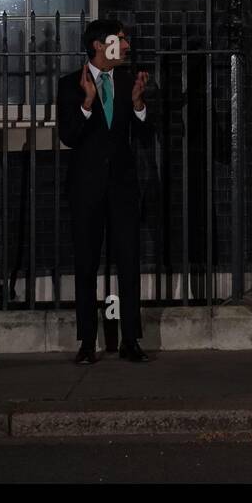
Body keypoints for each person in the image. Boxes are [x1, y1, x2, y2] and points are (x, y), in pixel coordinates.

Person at [56, 18, 153, 364]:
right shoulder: (71, 85)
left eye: (126, 40)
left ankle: (130, 340)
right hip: (86, 188)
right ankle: (87, 342)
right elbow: (68, 136)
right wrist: (87, 102)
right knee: (86, 263)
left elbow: (144, 136)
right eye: (120, 40)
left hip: (123, 187)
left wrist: (140, 106)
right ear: (99, 44)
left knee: (128, 261)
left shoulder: (128, 82)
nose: (126, 46)